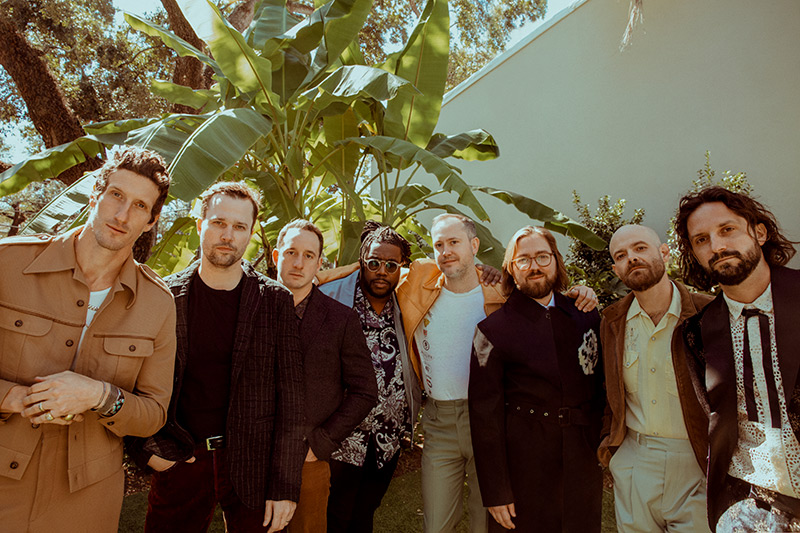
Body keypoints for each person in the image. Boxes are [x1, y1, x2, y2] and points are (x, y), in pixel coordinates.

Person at [0, 147, 176, 532]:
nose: (122, 215)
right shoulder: (7, 264)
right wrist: (14, 398)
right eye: (116, 195)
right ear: (96, 193)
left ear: (151, 221)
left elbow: (153, 414)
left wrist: (99, 395)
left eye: (140, 206)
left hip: (86, 499)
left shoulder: (159, 304)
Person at [396, 214, 598, 533]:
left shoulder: (498, 293)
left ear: (474, 245)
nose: (446, 250)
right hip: (440, 421)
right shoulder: (415, 287)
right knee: (437, 524)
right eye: (438, 244)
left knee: (489, 520)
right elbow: (374, 267)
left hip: (494, 421)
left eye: (454, 242)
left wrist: (579, 292)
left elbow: (541, 294)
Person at [127, 182, 305, 533]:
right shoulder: (164, 295)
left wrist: (285, 486)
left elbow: (292, 399)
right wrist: (143, 450)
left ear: (250, 234)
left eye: (239, 227)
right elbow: (131, 377)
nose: (228, 235)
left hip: (254, 463)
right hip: (182, 456)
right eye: (219, 223)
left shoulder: (275, 301)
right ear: (200, 225)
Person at [676, 186, 800, 531]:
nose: (717, 246)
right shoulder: (694, 333)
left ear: (759, 232)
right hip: (748, 504)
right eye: (701, 240)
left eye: (727, 230)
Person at [468, 225, 604, 532]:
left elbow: (600, 386)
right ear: (511, 270)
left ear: (555, 260)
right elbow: (483, 416)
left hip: (581, 458)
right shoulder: (492, 331)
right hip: (524, 463)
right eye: (524, 260)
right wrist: (496, 491)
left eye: (543, 256)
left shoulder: (585, 315)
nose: (534, 267)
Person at [599, 224, 711, 532]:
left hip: (697, 462)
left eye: (640, 248)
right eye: (621, 255)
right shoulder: (612, 322)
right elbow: (609, 392)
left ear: (664, 252)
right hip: (635, 461)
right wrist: (609, 451)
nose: (631, 258)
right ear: (616, 268)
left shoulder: (708, 314)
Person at [271, 219, 378, 532]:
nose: (298, 262)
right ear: (277, 257)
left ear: (320, 263)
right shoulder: (252, 310)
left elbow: (365, 390)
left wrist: (321, 442)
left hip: (309, 460)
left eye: (308, 255)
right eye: (291, 252)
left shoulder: (340, 319)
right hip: (255, 458)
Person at [317, 221, 423, 532]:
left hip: (387, 442)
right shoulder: (336, 301)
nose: (381, 271)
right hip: (342, 439)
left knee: (365, 514)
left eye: (391, 265)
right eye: (374, 262)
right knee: (336, 516)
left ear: (400, 268)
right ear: (362, 262)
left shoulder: (406, 305)